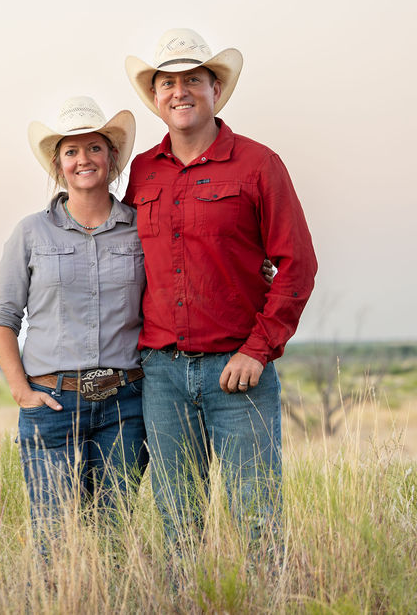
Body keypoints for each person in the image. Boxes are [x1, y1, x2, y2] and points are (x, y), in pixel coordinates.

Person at [122, 28, 318, 549]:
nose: (179, 91)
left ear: (214, 89)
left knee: (258, 519)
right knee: (176, 522)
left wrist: (259, 349)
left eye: (193, 80)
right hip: (161, 374)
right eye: (167, 82)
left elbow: (297, 265)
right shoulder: (141, 172)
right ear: (156, 96)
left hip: (240, 372)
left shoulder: (259, 165)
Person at [0, 96, 147, 540]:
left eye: (94, 148)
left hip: (124, 405)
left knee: (114, 537)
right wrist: (22, 392)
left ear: (112, 158)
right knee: (54, 540)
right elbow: (3, 317)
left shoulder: (141, 228)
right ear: (58, 165)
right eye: (71, 151)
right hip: (52, 405)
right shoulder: (31, 232)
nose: (83, 159)